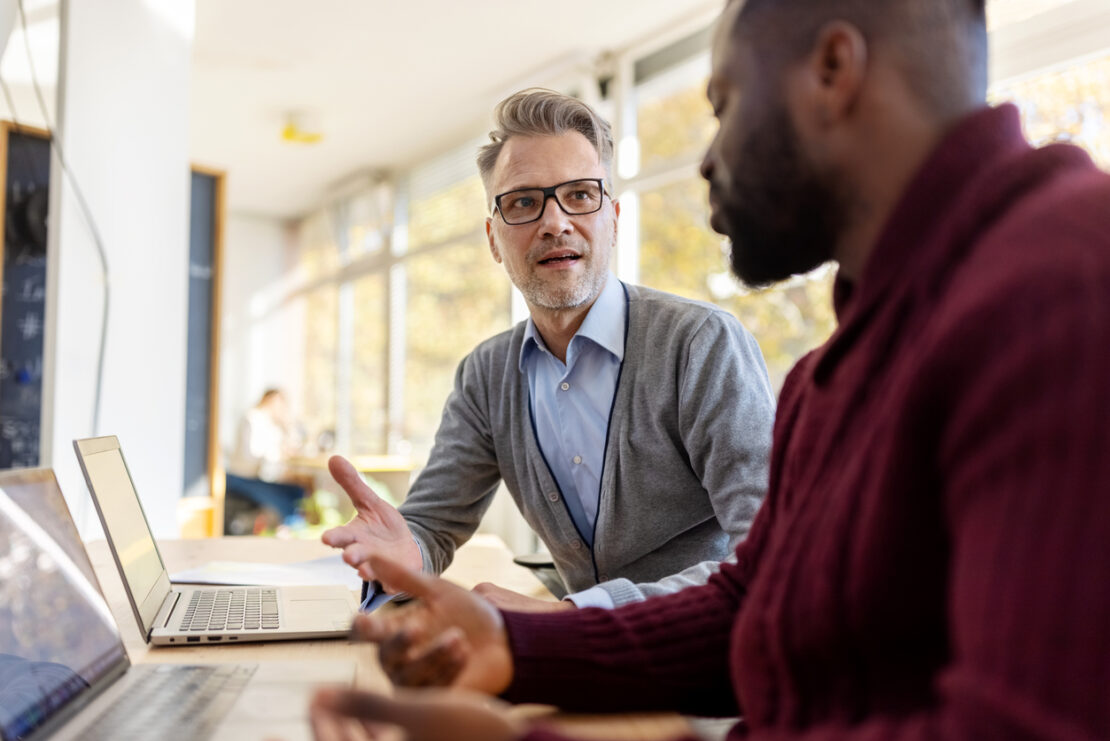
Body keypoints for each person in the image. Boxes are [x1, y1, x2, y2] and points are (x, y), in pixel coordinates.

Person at [309, 0, 1110, 739]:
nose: (705, 162)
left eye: (724, 106)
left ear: (832, 71)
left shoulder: (1063, 286)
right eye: (524, 204)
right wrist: (522, 644)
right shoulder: (839, 366)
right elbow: (757, 604)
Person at [322, 89, 776, 611]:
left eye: (581, 195)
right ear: (494, 239)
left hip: (705, 659)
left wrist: (574, 617)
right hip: (580, 668)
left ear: (613, 217)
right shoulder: (486, 375)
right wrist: (409, 554)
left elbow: (769, 554)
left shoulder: (701, 344)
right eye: (523, 202)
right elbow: (429, 526)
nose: (555, 221)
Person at [225, 388, 309, 531]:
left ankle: (292, 527)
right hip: (241, 478)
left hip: (258, 477)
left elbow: (292, 444)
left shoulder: (270, 423)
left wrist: (287, 424)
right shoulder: (252, 418)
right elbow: (252, 453)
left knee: (297, 492)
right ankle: (293, 531)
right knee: (285, 503)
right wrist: (279, 453)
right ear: (271, 400)